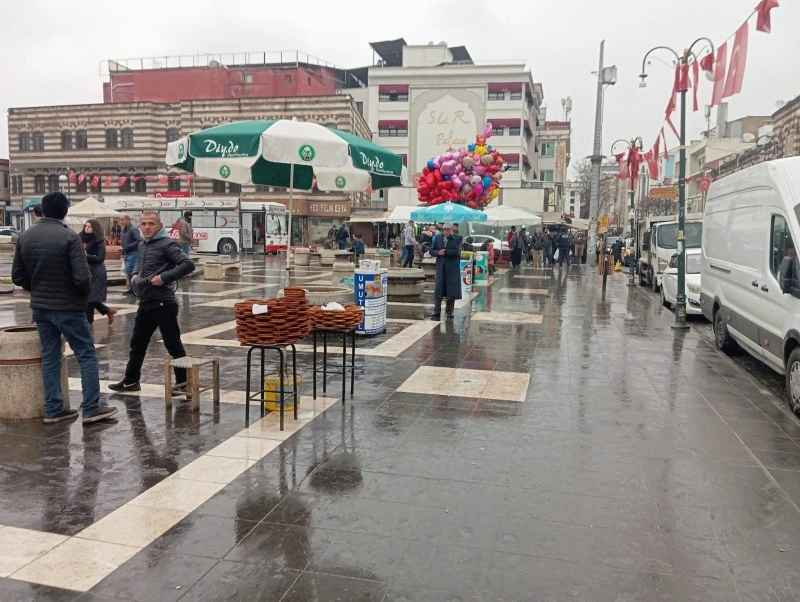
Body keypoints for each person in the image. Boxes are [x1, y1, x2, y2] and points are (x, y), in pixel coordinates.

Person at [11, 192, 118, 424]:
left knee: (50, 356)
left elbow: (17, 276)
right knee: (86, 354)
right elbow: (82, 277)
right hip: (69, 306)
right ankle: (91, 407)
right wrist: (81, 295)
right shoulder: (69, 236)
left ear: (43, 209)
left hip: (41, 307)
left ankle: (53, 409)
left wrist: (37, 288)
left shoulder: (25, 236)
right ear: (65, 211)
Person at [109, 211, 195, 393]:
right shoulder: (143, 244)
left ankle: (183, 383)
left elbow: (187, 264)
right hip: (146, 301)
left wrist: (164, 278)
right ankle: (131, 381)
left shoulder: (167, 244)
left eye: (151, 223)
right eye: (143, 224)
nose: (147, 227)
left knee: (173, 344)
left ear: (159, 225)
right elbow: (140, 263)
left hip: (163, 303)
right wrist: (135, 275)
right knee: (137, 343)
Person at [81, 219, 117, 327]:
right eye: (86, 226)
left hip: (96, 271)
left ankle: (88, 322)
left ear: (95, 229)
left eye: (89, 226)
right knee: (90, 297)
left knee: (90, 298)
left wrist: (86, 256)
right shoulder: (80, 238)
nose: (87, 228)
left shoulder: (99, 241)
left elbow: (101, 258)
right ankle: (108, 311)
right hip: (84, 270)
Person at [430, 223, 462, 321]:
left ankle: (449, 311)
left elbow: (456, 252)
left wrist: (445, 252)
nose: (446, 232)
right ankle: (437, 310)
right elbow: (432, 250)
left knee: (451, 289)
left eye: (448, 230)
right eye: (444, 230)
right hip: (441, 266)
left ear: (452, 229)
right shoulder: (438, 237)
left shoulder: (458, 238)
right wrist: (437, 252)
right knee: (439, 288)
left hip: (452, 267)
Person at [120, 214, 141, 295]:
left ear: (128, 220)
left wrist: (129, 246)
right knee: (128, 271)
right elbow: (124, 242)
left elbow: (139, 240)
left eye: (122, 219)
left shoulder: (133, 229)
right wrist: (123, 252)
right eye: (120, 220)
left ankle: (135, 288)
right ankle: (132, 288)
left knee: (130, 270)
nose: (121, 221)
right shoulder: (123, 230)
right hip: (126, 253)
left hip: (133, 252)